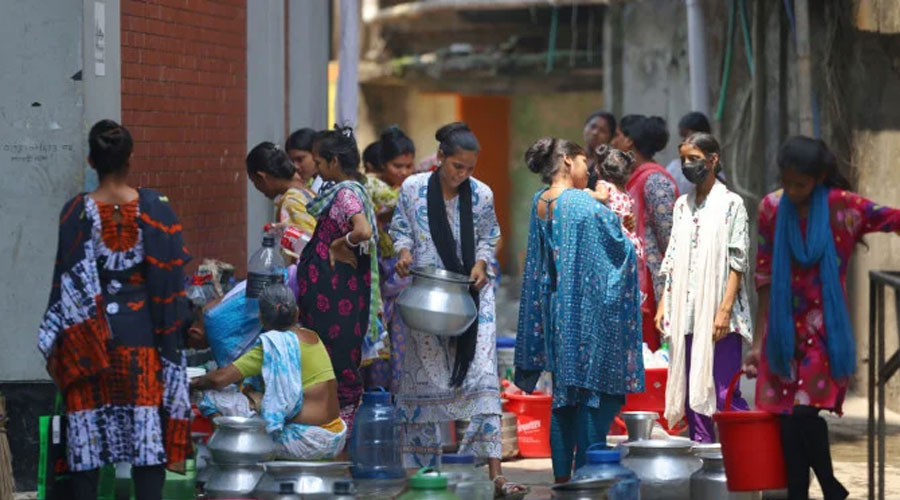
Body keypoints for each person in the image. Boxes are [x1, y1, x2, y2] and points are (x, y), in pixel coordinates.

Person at [37, 120, 191, 500]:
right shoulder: (157, 210)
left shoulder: (75, 212)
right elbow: (173, 287)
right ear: (130, 160)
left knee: (87, 445)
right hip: (145, 346)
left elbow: (67, 287)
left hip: (90, 347)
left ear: (91, 160)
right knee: (146, 442)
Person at [744, 137, 900, 500]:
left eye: (801, 184)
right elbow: (764, 275)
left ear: (820, 178)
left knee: (803, 413)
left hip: (824, 329)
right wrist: (758, 341)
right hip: (783, 330)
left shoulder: (842, 207)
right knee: (784, 417)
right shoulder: (771, 208)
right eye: (787, 181)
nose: (793, 191)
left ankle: (829, 485)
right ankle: (801, 491)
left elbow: (890, 218)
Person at [390, 122, 528, 499]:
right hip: (427, 298)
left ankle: (496, 476)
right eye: (457, 167)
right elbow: (400, 228)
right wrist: (403, 252)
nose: (463, 175)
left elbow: (490, 235)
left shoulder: (481, 194)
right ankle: (420, 474)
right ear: (440, 159)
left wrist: (482, 263)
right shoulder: (414, 189)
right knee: (424, 386)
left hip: (472, 299)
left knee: (482, 383)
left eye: (470, 168)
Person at [515, 137, 643, 483]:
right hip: (587, 315)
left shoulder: (540, 201)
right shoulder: (583, 205)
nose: (589, 170)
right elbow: (621, 254)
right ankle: (591, 474)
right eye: (585, 162)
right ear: (569, 161)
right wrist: (618, 220)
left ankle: (560, 478)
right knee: (590, 394)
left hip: (557, 312)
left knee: (563, 396)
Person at [654, 133, 751, 443]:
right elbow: (672, 256)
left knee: (723, 391)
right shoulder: (682, 205)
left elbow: (738, 261)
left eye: (694, 158)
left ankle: (742, 456)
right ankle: (703, 458)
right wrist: (663, 304)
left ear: (713, 159)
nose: (687, 165)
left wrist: (723, 311)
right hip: (686, 313)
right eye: (683, 159)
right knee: (691, 390)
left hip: (720, 316)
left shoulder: (732, 204)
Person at [191, 284, 347, 459]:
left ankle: (228, 458)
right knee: (253, 395)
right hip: (336, 435)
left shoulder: (272, 345)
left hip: (306, 441)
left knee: (209, 396)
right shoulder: (312, 337)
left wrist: (193, 382)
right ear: (296, 313)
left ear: (261, 318)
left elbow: (218, 380)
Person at [292, 125, 378, 436]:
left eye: (318, 160)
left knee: (338, 365)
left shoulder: (345, 193)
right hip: (328, 299)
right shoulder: (341, 190)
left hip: (338, 301)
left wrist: (341, 244)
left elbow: (363, 230)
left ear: (334, 162)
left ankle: (339, 439)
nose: (314, 166)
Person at [613, 115, 679, 350]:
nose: (613, 142)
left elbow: (671, 239)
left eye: (617, 136)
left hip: (653, 285)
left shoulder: (655, 181)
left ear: (629, 142)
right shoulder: (629, 181)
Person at [363, 127, 416, 391]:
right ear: (383, 165)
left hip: (405, 281)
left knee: (404, 350)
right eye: (398, 166)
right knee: (380, 350)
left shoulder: (410, 188)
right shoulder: (373, 189)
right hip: (381, 281)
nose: (405, 172)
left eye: (409, 165)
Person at [247, 141, 318, 260]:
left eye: (254, 182)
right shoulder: (305, 192)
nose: (257, 188)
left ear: (262, 177)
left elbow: (303, 255)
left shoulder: (291, 203)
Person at [594, 144, 643, 257]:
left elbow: (602, 196)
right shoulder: (624, 191)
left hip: (614, 237)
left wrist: (587, 193)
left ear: (598, 170)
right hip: (629, 238)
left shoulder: (604, 185)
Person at [665, 112, 712, 194]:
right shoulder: (675, 168)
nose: (684, 142)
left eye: (688, 136)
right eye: (682, 137)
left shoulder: (712, 168)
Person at [583, 110, 617, 182]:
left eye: (603, 131)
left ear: (610, 138)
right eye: (592, 127)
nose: (595, 133)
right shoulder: (571, 157)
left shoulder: (609, 168)